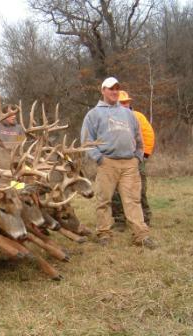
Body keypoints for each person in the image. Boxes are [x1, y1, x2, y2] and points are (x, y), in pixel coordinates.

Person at [80, 77, 156, 249]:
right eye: (110, 88)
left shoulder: (128, 114)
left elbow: (138, 138)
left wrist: (137, 157)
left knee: (133, 201)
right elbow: (86, 140)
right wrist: (99, 158)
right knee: (103, 200)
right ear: (103, 91)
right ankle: (104, 234)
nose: (114, 92)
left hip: (130, 164)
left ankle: (141, 236)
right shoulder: (94, 114)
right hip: (107, 163)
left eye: (116, 88)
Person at [112, 91, 155, 231]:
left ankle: (144, 218)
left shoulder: (137, 117)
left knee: (139, 189)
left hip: (136, 158)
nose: (124, 105)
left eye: (126, 102)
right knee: (115, 191)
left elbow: (148, 134)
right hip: (116, 159)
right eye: (121, 102)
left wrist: (144, 155)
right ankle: (119, 221)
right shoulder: (110, 118)